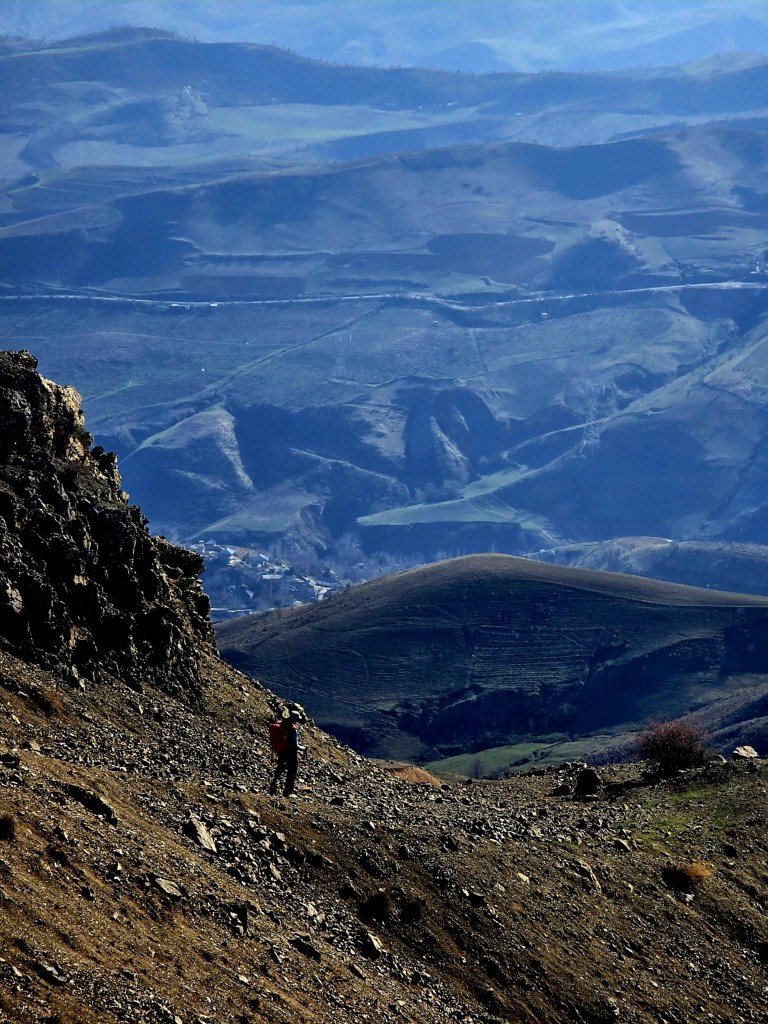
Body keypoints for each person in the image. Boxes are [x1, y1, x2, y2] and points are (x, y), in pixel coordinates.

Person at [269, 705, 304, 796]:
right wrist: (304, 748)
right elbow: (295, 745)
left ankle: (274, 785)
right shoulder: (293, 729)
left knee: (280, 768)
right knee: (292, 771)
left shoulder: (282, 724)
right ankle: (287, 792)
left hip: (282, 751)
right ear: (294, 718)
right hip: (291, 753)